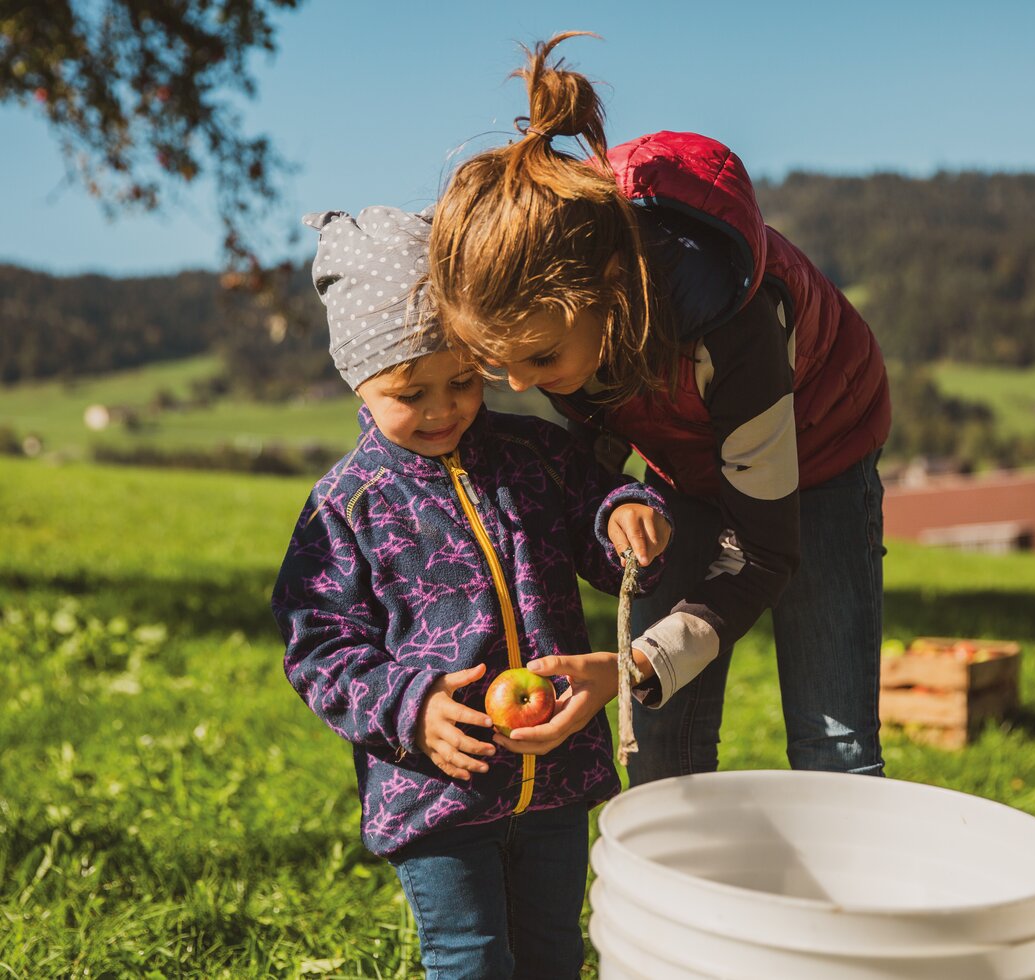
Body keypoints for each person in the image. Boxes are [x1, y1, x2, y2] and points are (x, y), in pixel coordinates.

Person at [427, 32, 891, 785]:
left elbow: (763, 552)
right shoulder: (558, 327)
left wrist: (633, 661)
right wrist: (610, 514)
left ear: (612, 296)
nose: (519, 383)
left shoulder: (734, 333)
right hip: (686, 460)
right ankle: (674, 894)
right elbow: (588, 474)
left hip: (820, 452)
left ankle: (846, 900)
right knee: (656, 733)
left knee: (832, 743)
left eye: (539, 360)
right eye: (495, 363)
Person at [271, 205, 671, 979]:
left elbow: (597, 518)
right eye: (409, 393)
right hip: (434, 789)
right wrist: (409, 707)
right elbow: (317, 643)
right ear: (360, 378)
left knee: (554, 950)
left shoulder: (535, 455)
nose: (442, 409)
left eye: (461, 381)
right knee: (472, 959)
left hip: (553, 772)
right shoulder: (346, 505)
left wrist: (626, 513)